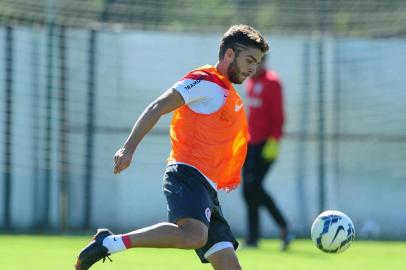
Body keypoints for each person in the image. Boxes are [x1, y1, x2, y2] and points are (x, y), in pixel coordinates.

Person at [75, 24, 269, 270]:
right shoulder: (204, 81)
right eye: (249, 60)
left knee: (230, 267)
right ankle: (110, 243)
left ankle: (110, 242)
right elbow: (157, 106)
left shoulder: (226, 91)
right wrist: (128, 148)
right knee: (193, 235)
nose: (253, 69)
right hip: (187, 174)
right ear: (229, 55)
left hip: (206, 187)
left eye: (257, 63)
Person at [242, 55, 294, 250]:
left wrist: (274, 141)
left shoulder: (272, 82)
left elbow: (278, 115)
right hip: (250, 143)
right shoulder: (250, 81)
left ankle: (284, 227)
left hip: (266, 144)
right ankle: (252, 240)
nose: (253, 66)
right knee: (248, 191)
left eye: (257, 62)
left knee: (254, 185)